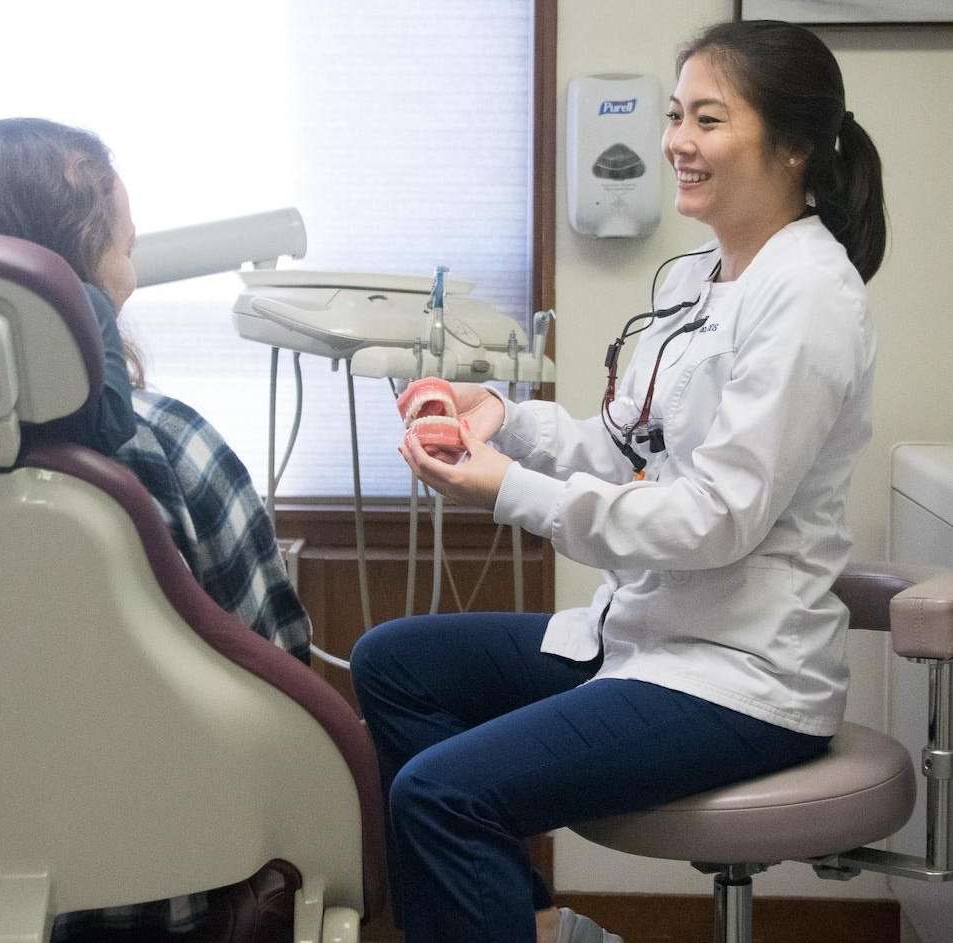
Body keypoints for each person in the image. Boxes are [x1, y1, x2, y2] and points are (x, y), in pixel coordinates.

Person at [351, 19, 884, 943]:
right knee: (393, 663)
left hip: (741, 676)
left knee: (440, 795)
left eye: (708, 118)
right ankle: (537, 926)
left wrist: (508, 486)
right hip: (648, 633)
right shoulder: (696, 279)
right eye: (676, 114)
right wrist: (500, 415)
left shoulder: (809, 299)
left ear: (793, 145)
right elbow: (626, 444)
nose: (676, 138)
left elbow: (714, 520)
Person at [0, 118, 312, 940]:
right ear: (86, 294)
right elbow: (284, 690)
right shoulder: (179, 454)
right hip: (169, 898)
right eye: (125, 246)